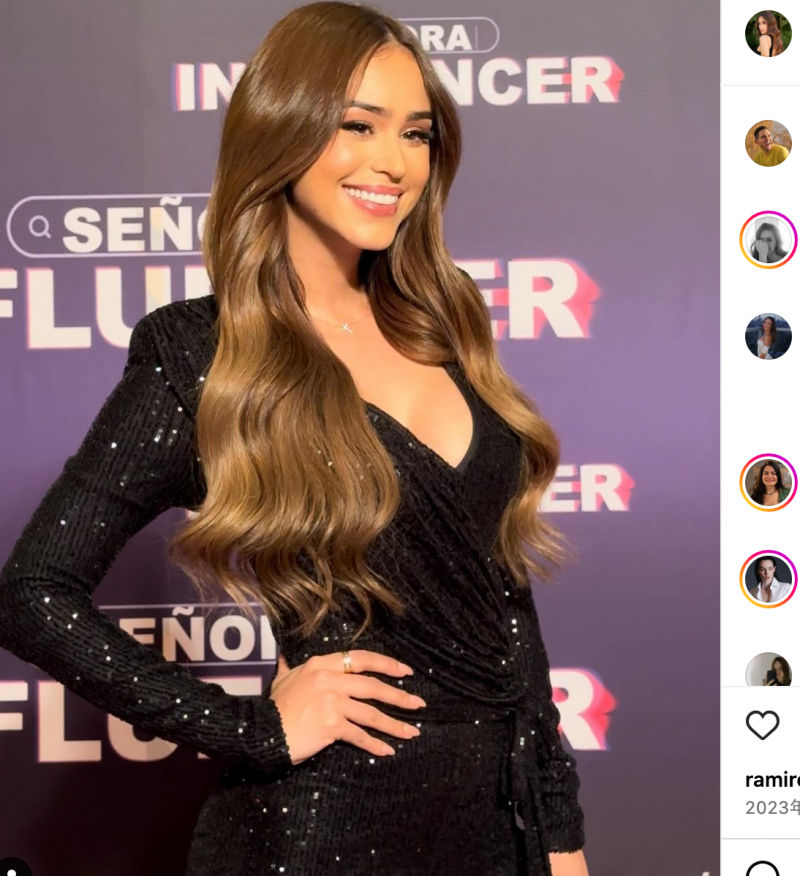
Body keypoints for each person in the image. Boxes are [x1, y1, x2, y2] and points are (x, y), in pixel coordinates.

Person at [0, 4, 588, 876]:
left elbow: (506, 613)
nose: (395, 162)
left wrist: (560, 836)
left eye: (416, 134)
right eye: (358, 126)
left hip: (497, 835)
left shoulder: (442, 314)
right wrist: (251, 730)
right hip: (322, 831)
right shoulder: (206, 354)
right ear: (284, 129)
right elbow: (32, 593)